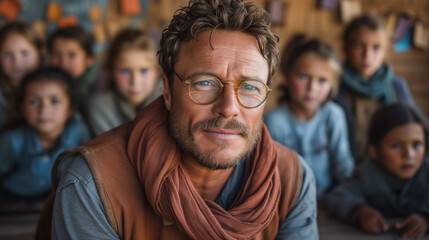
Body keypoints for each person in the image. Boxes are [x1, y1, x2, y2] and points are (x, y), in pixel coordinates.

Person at [37, 0, 318, 239]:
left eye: (250, 87)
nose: (229, 108)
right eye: (205, 83)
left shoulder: (291, 179)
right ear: (168, 91)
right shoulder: (94, 183)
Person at [321, 103, 429, 239]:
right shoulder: (367, 175)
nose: (409, 155)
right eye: (396, 146)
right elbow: (335, 197)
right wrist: (360, 211)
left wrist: (426, 218)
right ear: (374, 151)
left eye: (417, 145)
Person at [264, 35, 354, 195]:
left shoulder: (333, 115)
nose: (312, 87)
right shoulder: (274, 121)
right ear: (286, 77)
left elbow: (343, 165)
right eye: (304, 77)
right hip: (285, 202)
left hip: (327, 199)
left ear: (333, 84)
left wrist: (348, 197)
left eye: (322, 80)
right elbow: (268, 173)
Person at [0, 67, 90, 200]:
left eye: (54, 101)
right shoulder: (13, 140)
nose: (44, 110)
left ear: (70, 108)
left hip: (57, 201)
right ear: (22, 108)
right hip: (13, 200)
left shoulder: (78, 133)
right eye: (34, 102)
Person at [335, 13, 415, 163]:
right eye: (359, 46)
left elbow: (413, 130)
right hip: (346, 172)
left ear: (385, 51)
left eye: (376, 47)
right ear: (346, 48)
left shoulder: (396, 86)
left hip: (389, 168)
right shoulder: (333, 87)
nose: (367, 55)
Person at [86, 28, 162, 136]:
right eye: (125, 71)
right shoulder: (101, 107)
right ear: (111, 71)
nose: (135, 81)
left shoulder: (170, 100)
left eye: (144, 70)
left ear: (157, 71)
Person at [0, 21, 44, 130]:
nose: (16, 61)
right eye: (8, 54)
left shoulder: (54, 84)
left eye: (24, 53)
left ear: (40, 53)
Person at [47, 26, 102, 109]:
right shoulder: (45, 82)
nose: (63, 63)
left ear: (89, 60)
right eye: (57, 55)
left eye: (71, 55)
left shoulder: (100, 88)